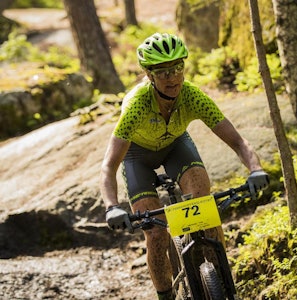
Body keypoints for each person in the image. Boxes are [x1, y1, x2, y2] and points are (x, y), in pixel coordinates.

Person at [100, 32, 269, 300]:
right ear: (149, 74)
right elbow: (109, 165)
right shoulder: (136, 106)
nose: (173, 77)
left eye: (178, 68)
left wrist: (255, 169)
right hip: (137, 158)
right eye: (164, 71)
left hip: (175, 147)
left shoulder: (192, 96)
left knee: (206, 210)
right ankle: (165, 296)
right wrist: (112, 207)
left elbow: (237, 141)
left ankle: (224, 285)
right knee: (155, 234)